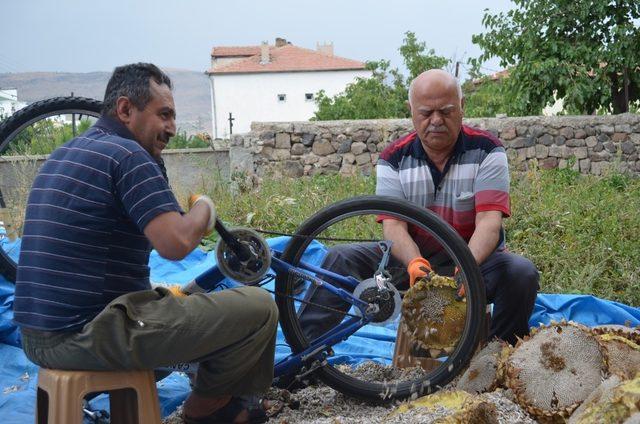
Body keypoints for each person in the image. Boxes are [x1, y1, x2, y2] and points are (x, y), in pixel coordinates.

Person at [13, 63, 277, 424]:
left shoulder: (62, 155)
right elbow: (177, 243)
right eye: (163, 115)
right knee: (260, 307)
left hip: (36, 339)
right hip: (86, 336)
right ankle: (208, 410)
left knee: (177, 306)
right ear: (125, 110)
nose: (171, 128)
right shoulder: (128, 156)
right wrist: (204, 208)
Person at [299, 69, 539, 346]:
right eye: (426, 113)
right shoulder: (393, 158)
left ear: (462, 108)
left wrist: (467, 267)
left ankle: (499, 353)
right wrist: (414, 263)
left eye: (446, 112)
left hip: (474, 262)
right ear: (411, 111)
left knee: (521, 272)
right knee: (339, 259)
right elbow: (394, 226)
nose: (436, 121)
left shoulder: (487, 151)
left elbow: (489, 222)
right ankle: (305, 353)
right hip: (412, 264)